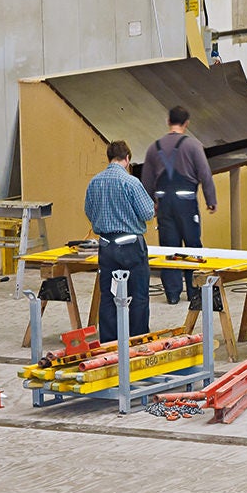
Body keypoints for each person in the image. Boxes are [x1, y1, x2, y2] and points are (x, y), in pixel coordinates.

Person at [140, 105, 218, 306]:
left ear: (168, 122)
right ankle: (194, 292)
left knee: (169, 247)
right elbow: (205, 174)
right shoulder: (193, 146)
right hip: (186, 203)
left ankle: (172, 294)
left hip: (164, 203)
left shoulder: (153, 148)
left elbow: (146, 181)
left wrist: (151, 204)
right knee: (193, 246)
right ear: (186, 123)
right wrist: (211, 200)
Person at [84, 140, 156, 344]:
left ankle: (108, 342)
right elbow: (148, 212)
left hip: (106, 245)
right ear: (127, 159)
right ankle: (137, 340)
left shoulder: (95, 182)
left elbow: (89, 211)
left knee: (108, 294)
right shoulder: (131, 182)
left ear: (108, 158)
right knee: (138, 295)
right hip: (131, 246)